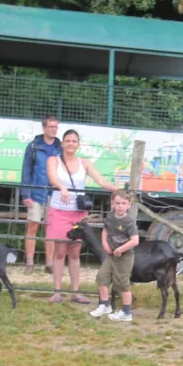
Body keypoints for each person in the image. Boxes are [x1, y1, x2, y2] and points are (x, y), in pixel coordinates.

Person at [46, 129, 117, 304]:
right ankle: (57, 291)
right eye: (68, 141)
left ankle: (75, 292)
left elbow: (100, 181)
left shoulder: (84, 163)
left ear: (78, 144)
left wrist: (117, 190)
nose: (71, 144)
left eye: (74, 141)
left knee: (75, 252)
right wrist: (62, 188)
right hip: (59, 210)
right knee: (60, 251)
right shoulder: (53, 160)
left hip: (78, 213)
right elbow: (52, 178)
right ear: (62, 143)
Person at [89, 190, 140, 322]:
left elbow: (135, 240)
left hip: (124, 257)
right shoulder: (110, 216)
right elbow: (105, 230)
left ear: (129, 205)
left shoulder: (129, 222)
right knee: (101, 278)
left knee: (122, 284)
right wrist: (105, 244)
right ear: (112, 204)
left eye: (124, 203)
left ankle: (126, 312)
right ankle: (104, 305)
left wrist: (120, 249)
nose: (120, 206)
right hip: (111, 255)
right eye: (117, 203)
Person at [21, 115, 61, 273]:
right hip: (36, 193)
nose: (54, 129)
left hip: (54, 194)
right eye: (51, 126)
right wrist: (26, 194)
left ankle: (49, 264)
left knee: (50, 229)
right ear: (43, 128)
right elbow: (26, 171)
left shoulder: (61, 147)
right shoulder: (33, 147)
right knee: (33, 225)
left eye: (56, 126)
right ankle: (29, 262)